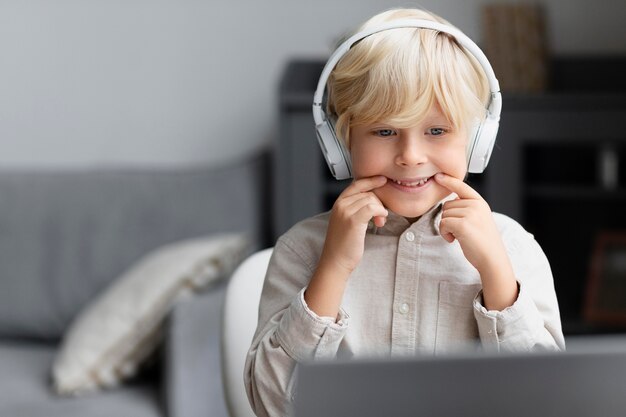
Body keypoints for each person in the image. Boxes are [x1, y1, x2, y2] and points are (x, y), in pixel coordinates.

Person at [245, 7, 565, 417]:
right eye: (384, 131)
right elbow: (272, 406)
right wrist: (334, 267)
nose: (411, 157)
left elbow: (547, 405)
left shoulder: (514, 249)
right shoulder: (301, 251)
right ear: (340, 145)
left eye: (437, 130)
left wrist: (496, 274)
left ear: (477, 141)